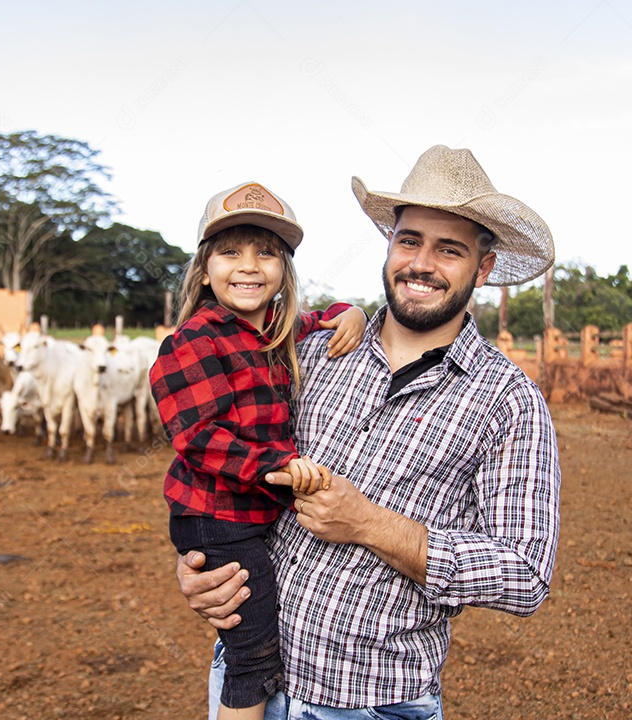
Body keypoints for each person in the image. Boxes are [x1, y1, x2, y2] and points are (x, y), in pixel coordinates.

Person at [177, 146, 562, 719]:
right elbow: (224, 460)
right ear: (389, 246)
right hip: (251, 678)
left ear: (482, 268)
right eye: (409, 241)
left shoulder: (508, 402)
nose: (421, 263)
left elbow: (525, 574)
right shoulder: (309, 352)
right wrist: (202, 563)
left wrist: (371, 525)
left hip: (372, 703)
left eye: (449, 249)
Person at [150, 181, 368, 720]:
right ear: (204, 270)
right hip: (215, 515)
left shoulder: (277, 329)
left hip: (244, 512)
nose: (248, 266)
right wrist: (279, 469)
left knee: (257, 631)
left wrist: (353, 313)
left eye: (266, 253)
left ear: (283, 273)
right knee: (253, 652)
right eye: (231, 252)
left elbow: (325, 317)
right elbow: (198, 437)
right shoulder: (193, 342)